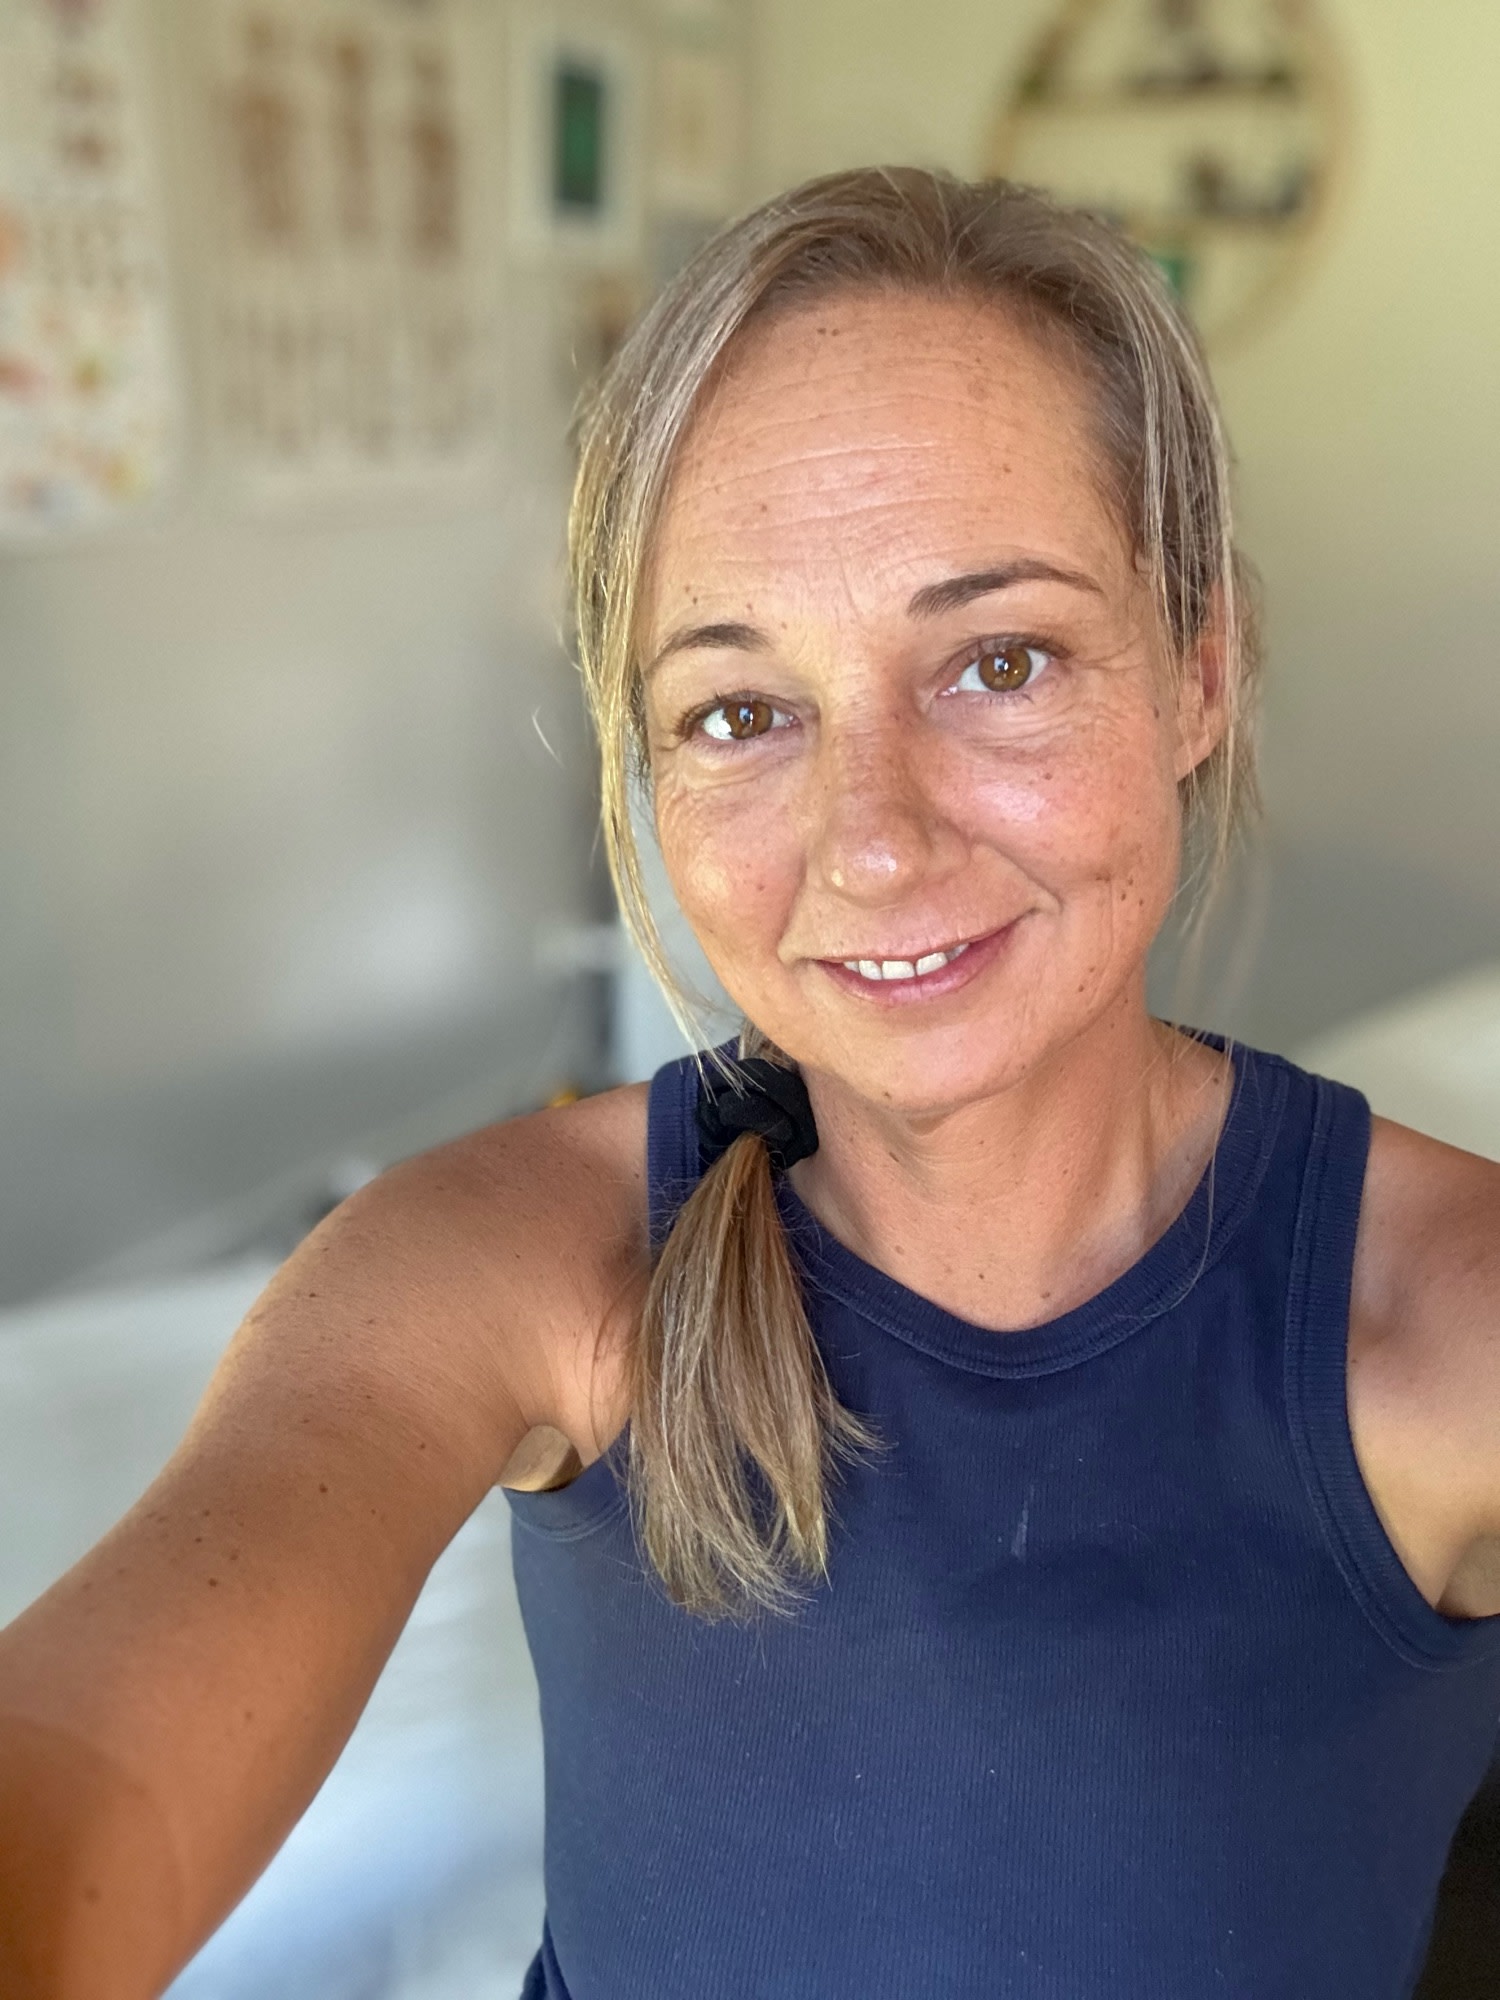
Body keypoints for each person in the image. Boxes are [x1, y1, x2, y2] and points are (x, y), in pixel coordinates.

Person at [1, 167, 1497, 2000]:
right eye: (741, 712)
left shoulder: (1442, 1330)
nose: (872, 841)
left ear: (1198, 675)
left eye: (999, 662)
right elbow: (86, 1769)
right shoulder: (502, 1262)